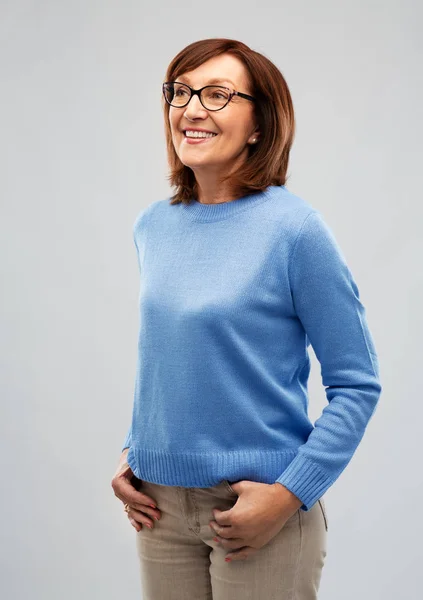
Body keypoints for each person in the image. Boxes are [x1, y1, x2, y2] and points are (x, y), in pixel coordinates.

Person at [111, 37, 382, 599]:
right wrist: (133, 449)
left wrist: (288, 495)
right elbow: (175, 359)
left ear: (260, 124)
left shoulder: (296, 231)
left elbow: (357, 384)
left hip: (259, 511)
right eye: (180, 92)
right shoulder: (152, 226)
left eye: (217, 95)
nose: (191, 109)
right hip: (158, 511)